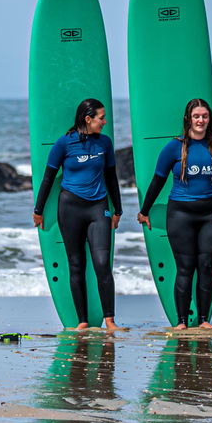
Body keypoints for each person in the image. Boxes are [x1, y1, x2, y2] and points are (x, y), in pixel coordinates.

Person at [137, 98, 212, 330]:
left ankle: (204, 320)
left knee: (207, 266)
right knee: (186, 267)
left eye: (205, 116)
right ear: (188, 119)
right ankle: (181, 321)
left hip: (211, 213)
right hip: (180, 214)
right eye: (197, 116)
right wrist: (145, 210)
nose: (201, 120)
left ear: (210, 119)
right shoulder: (174, 147)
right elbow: (158, 180)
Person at [32, 98, 122, 333]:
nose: (105, 121)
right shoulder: (64, 143)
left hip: (98, 207)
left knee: (102, 263)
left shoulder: (105, 143)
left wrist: (118, 210)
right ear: (88, 119)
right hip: (70, 208)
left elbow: (112, 177)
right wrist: (38, 210)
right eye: (101, 118)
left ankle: (110, 320)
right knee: (76, 264)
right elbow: (49, 178)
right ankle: (82, 320)